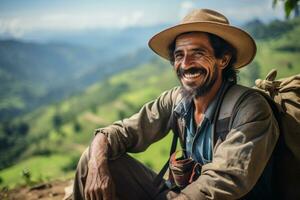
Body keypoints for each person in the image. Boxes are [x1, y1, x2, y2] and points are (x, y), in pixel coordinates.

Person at [72, 9, 279, 200]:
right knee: (91, 161)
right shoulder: (176, 100)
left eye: (198, 53)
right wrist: (97, 165)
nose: (186, 64)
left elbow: (221, 181)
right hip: (182, 195)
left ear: (223, 60)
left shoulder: (250, 109)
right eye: (179, 55)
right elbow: (119, 132)